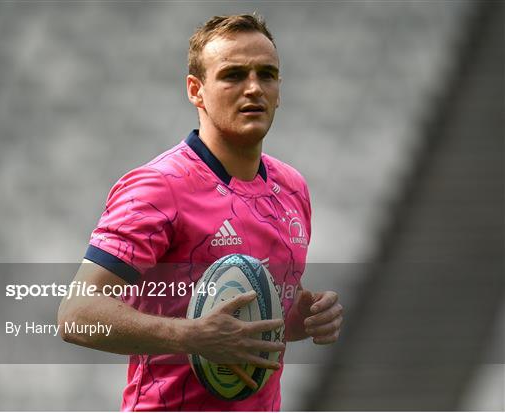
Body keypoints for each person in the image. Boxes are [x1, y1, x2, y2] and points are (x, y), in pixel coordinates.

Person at [58, 13, 343, 411]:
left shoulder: (292, 187)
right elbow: (76, 314)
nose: (254, 88)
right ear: (196, 90)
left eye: (267, 74)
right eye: (233, 75)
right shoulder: (158, 187)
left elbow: (246, 318)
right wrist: (191, 336)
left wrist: (303, 319)